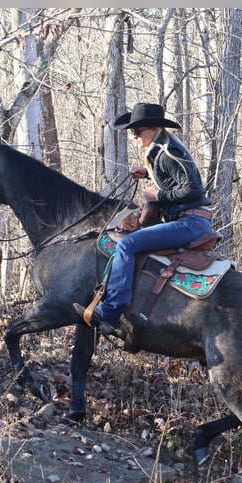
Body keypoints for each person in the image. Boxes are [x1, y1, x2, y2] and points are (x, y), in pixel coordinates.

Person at [74, 102, 213, 333]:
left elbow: (194, 190)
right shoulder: (162, 151)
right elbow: (175, 178)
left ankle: (110, 311)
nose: (134, 136)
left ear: (153, 129)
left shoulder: (169, 153)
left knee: (128, 244)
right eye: (132, 132)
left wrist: (157, 194)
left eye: (137, 131)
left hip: (190, 223)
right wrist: (148, 172)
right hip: (189, 220)